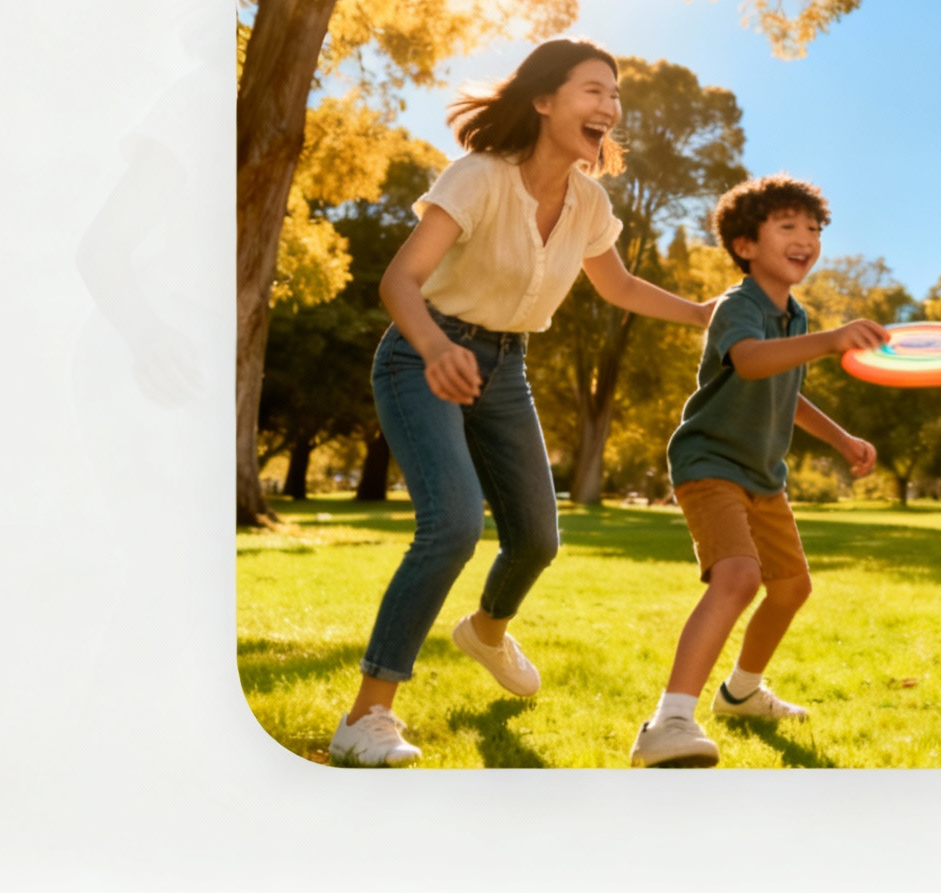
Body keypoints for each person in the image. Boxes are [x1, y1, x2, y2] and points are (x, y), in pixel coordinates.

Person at [328, 39, 716, 767]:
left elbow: (618, 286)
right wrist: (436, 349)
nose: (610, 106)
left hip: (506, 366)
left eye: (615, 95)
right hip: (422, 353)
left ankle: (486, 631)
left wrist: (699, 313)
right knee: (451, 526)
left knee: (537, 538)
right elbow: (399, 281)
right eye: (594, 90)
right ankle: (366, 717)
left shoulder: (589, 202)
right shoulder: (480, 177)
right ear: (543, 100)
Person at [629, 175, 883, 768]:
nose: (806, 239)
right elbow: (748, 361)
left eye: (813, 228)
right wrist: (831, 341)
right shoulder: (738, 306)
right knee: (739, 577)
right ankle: (668, 722)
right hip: (711, 462)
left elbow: (784, 389)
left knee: (791, 588)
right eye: (788, 226)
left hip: (764, 474)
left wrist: (841, 438)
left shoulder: (795, 316)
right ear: (745, 245)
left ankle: (741, 693)